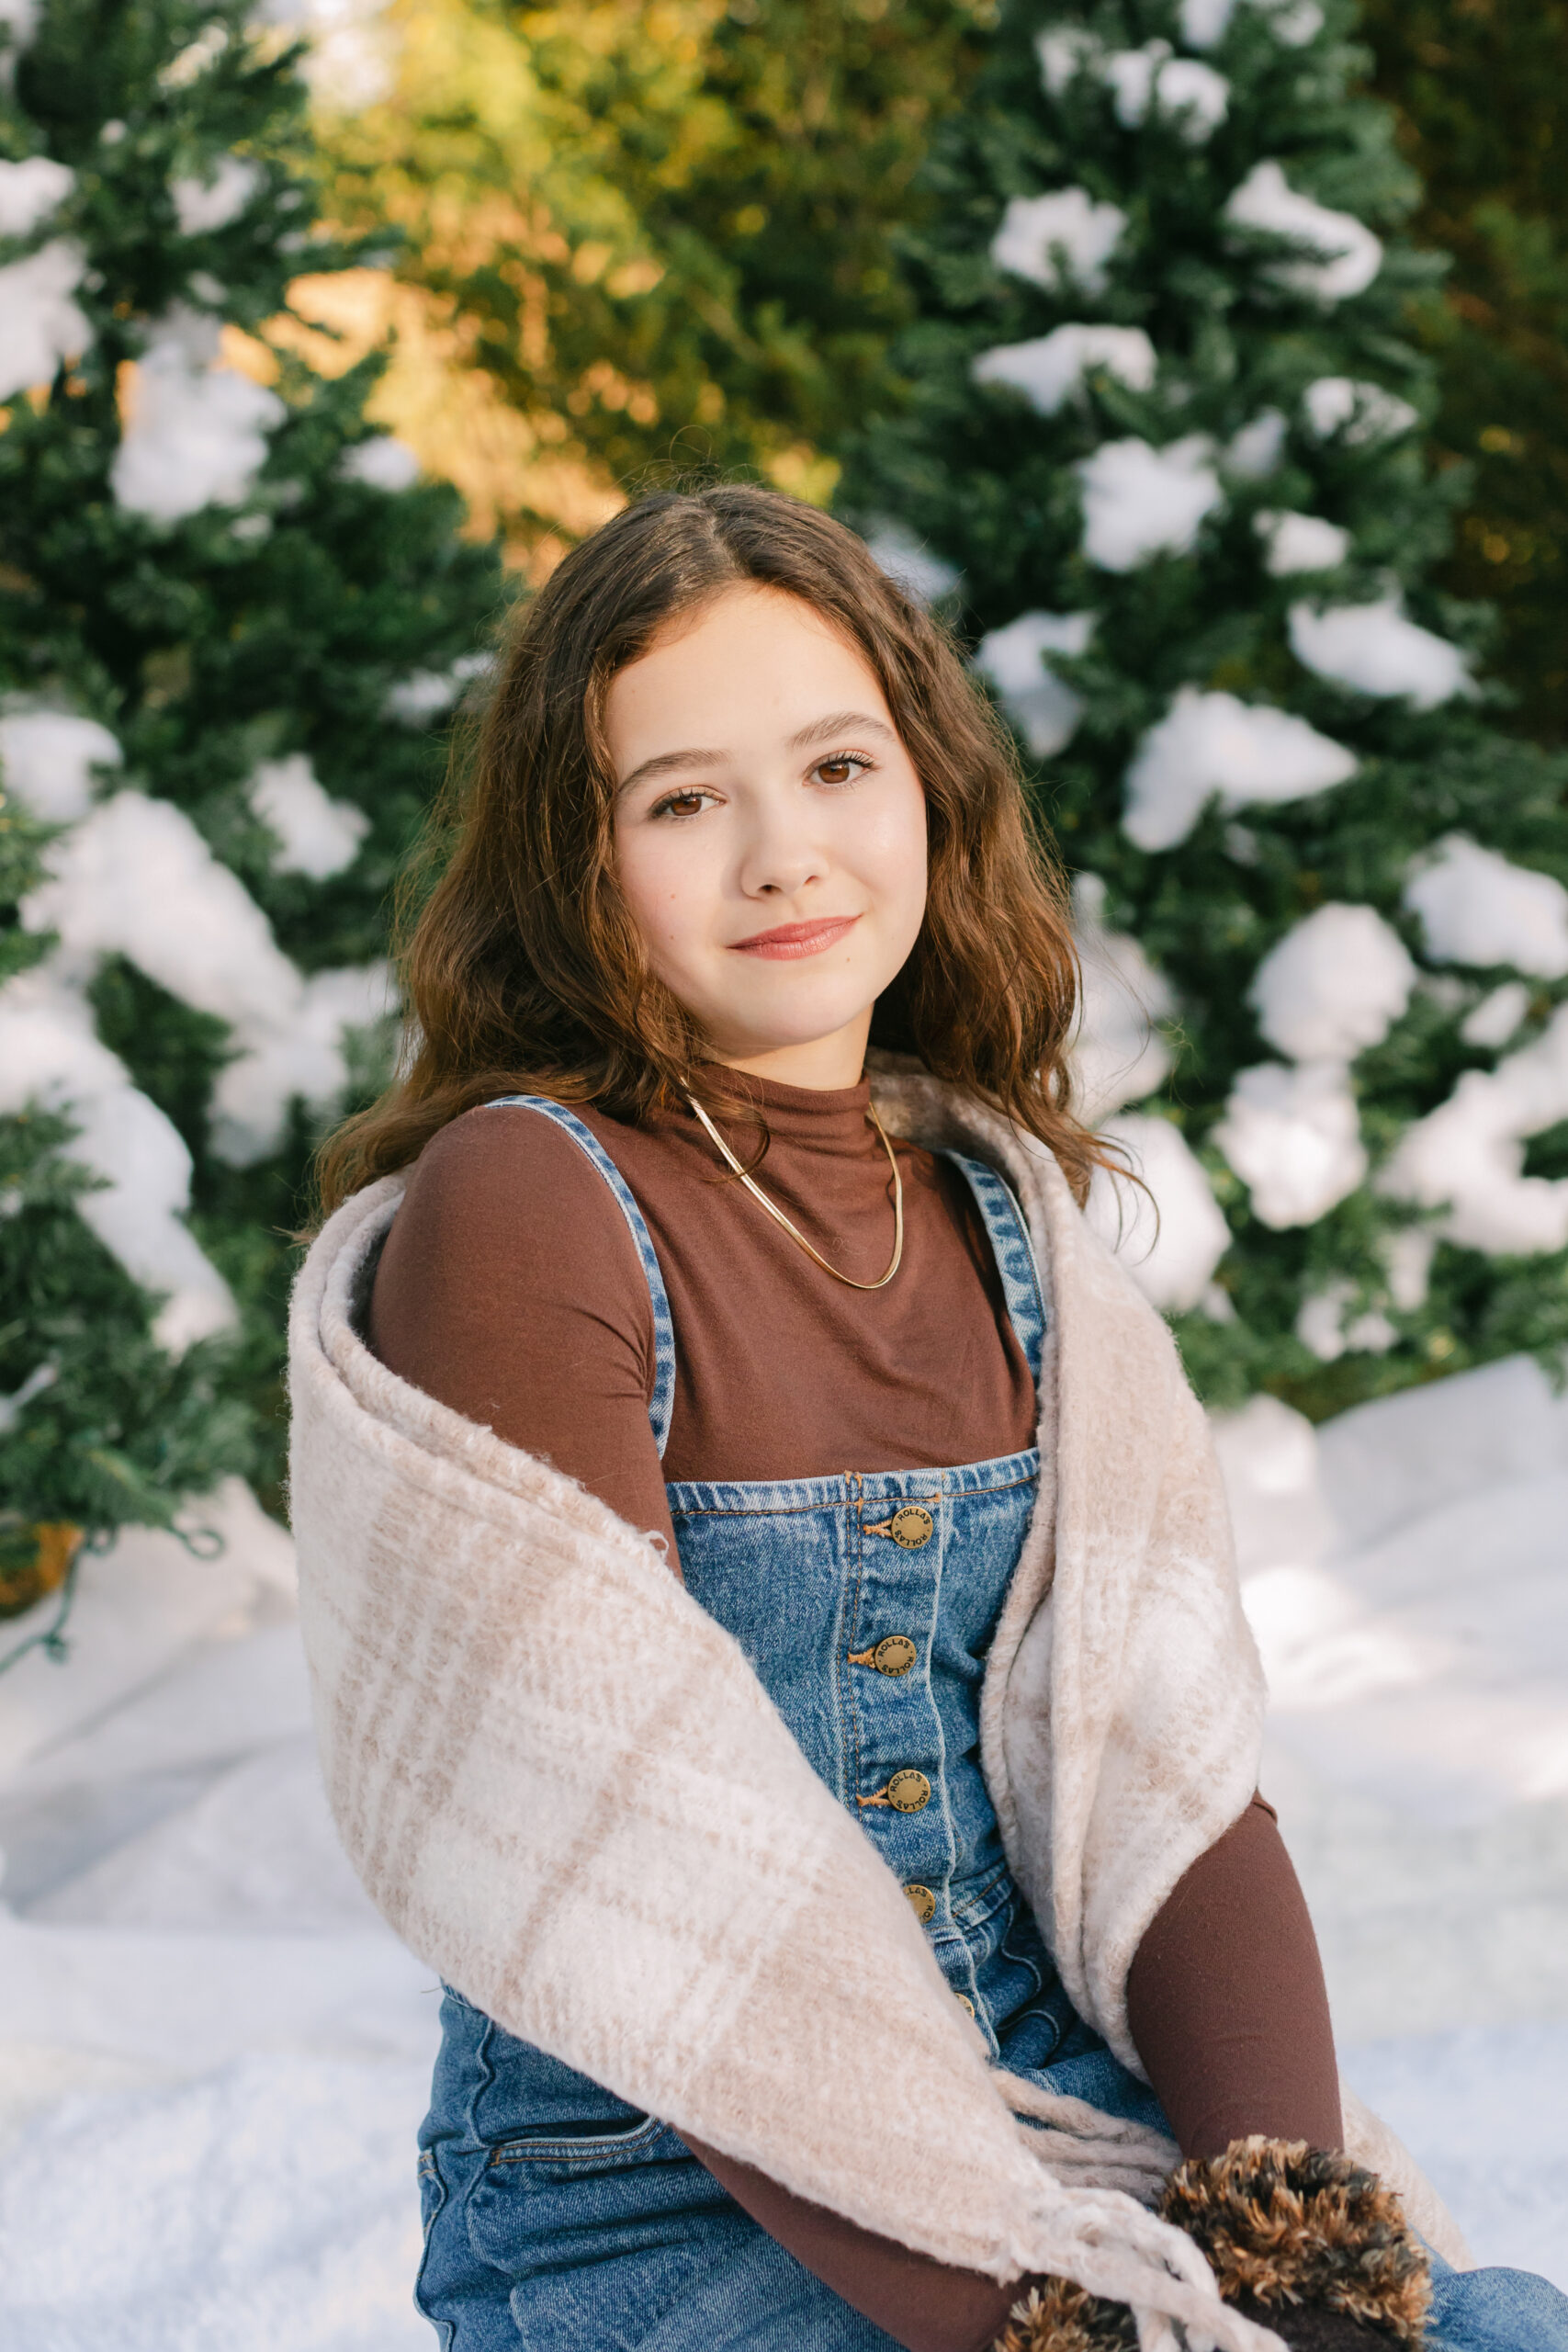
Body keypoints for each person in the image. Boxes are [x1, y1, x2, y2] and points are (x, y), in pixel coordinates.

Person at [308, 485, 1567, 2352]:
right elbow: (652, 1886)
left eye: (833, 765)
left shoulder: (1005, 1222)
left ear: (924, 784)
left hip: (1059, 2133)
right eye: (682, 800)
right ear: (573, 861)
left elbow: (1173, 1792)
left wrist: (1296, 2253)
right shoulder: (526, 1209)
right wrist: (1046, 2323)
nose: (780, 854)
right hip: (660, 2200)